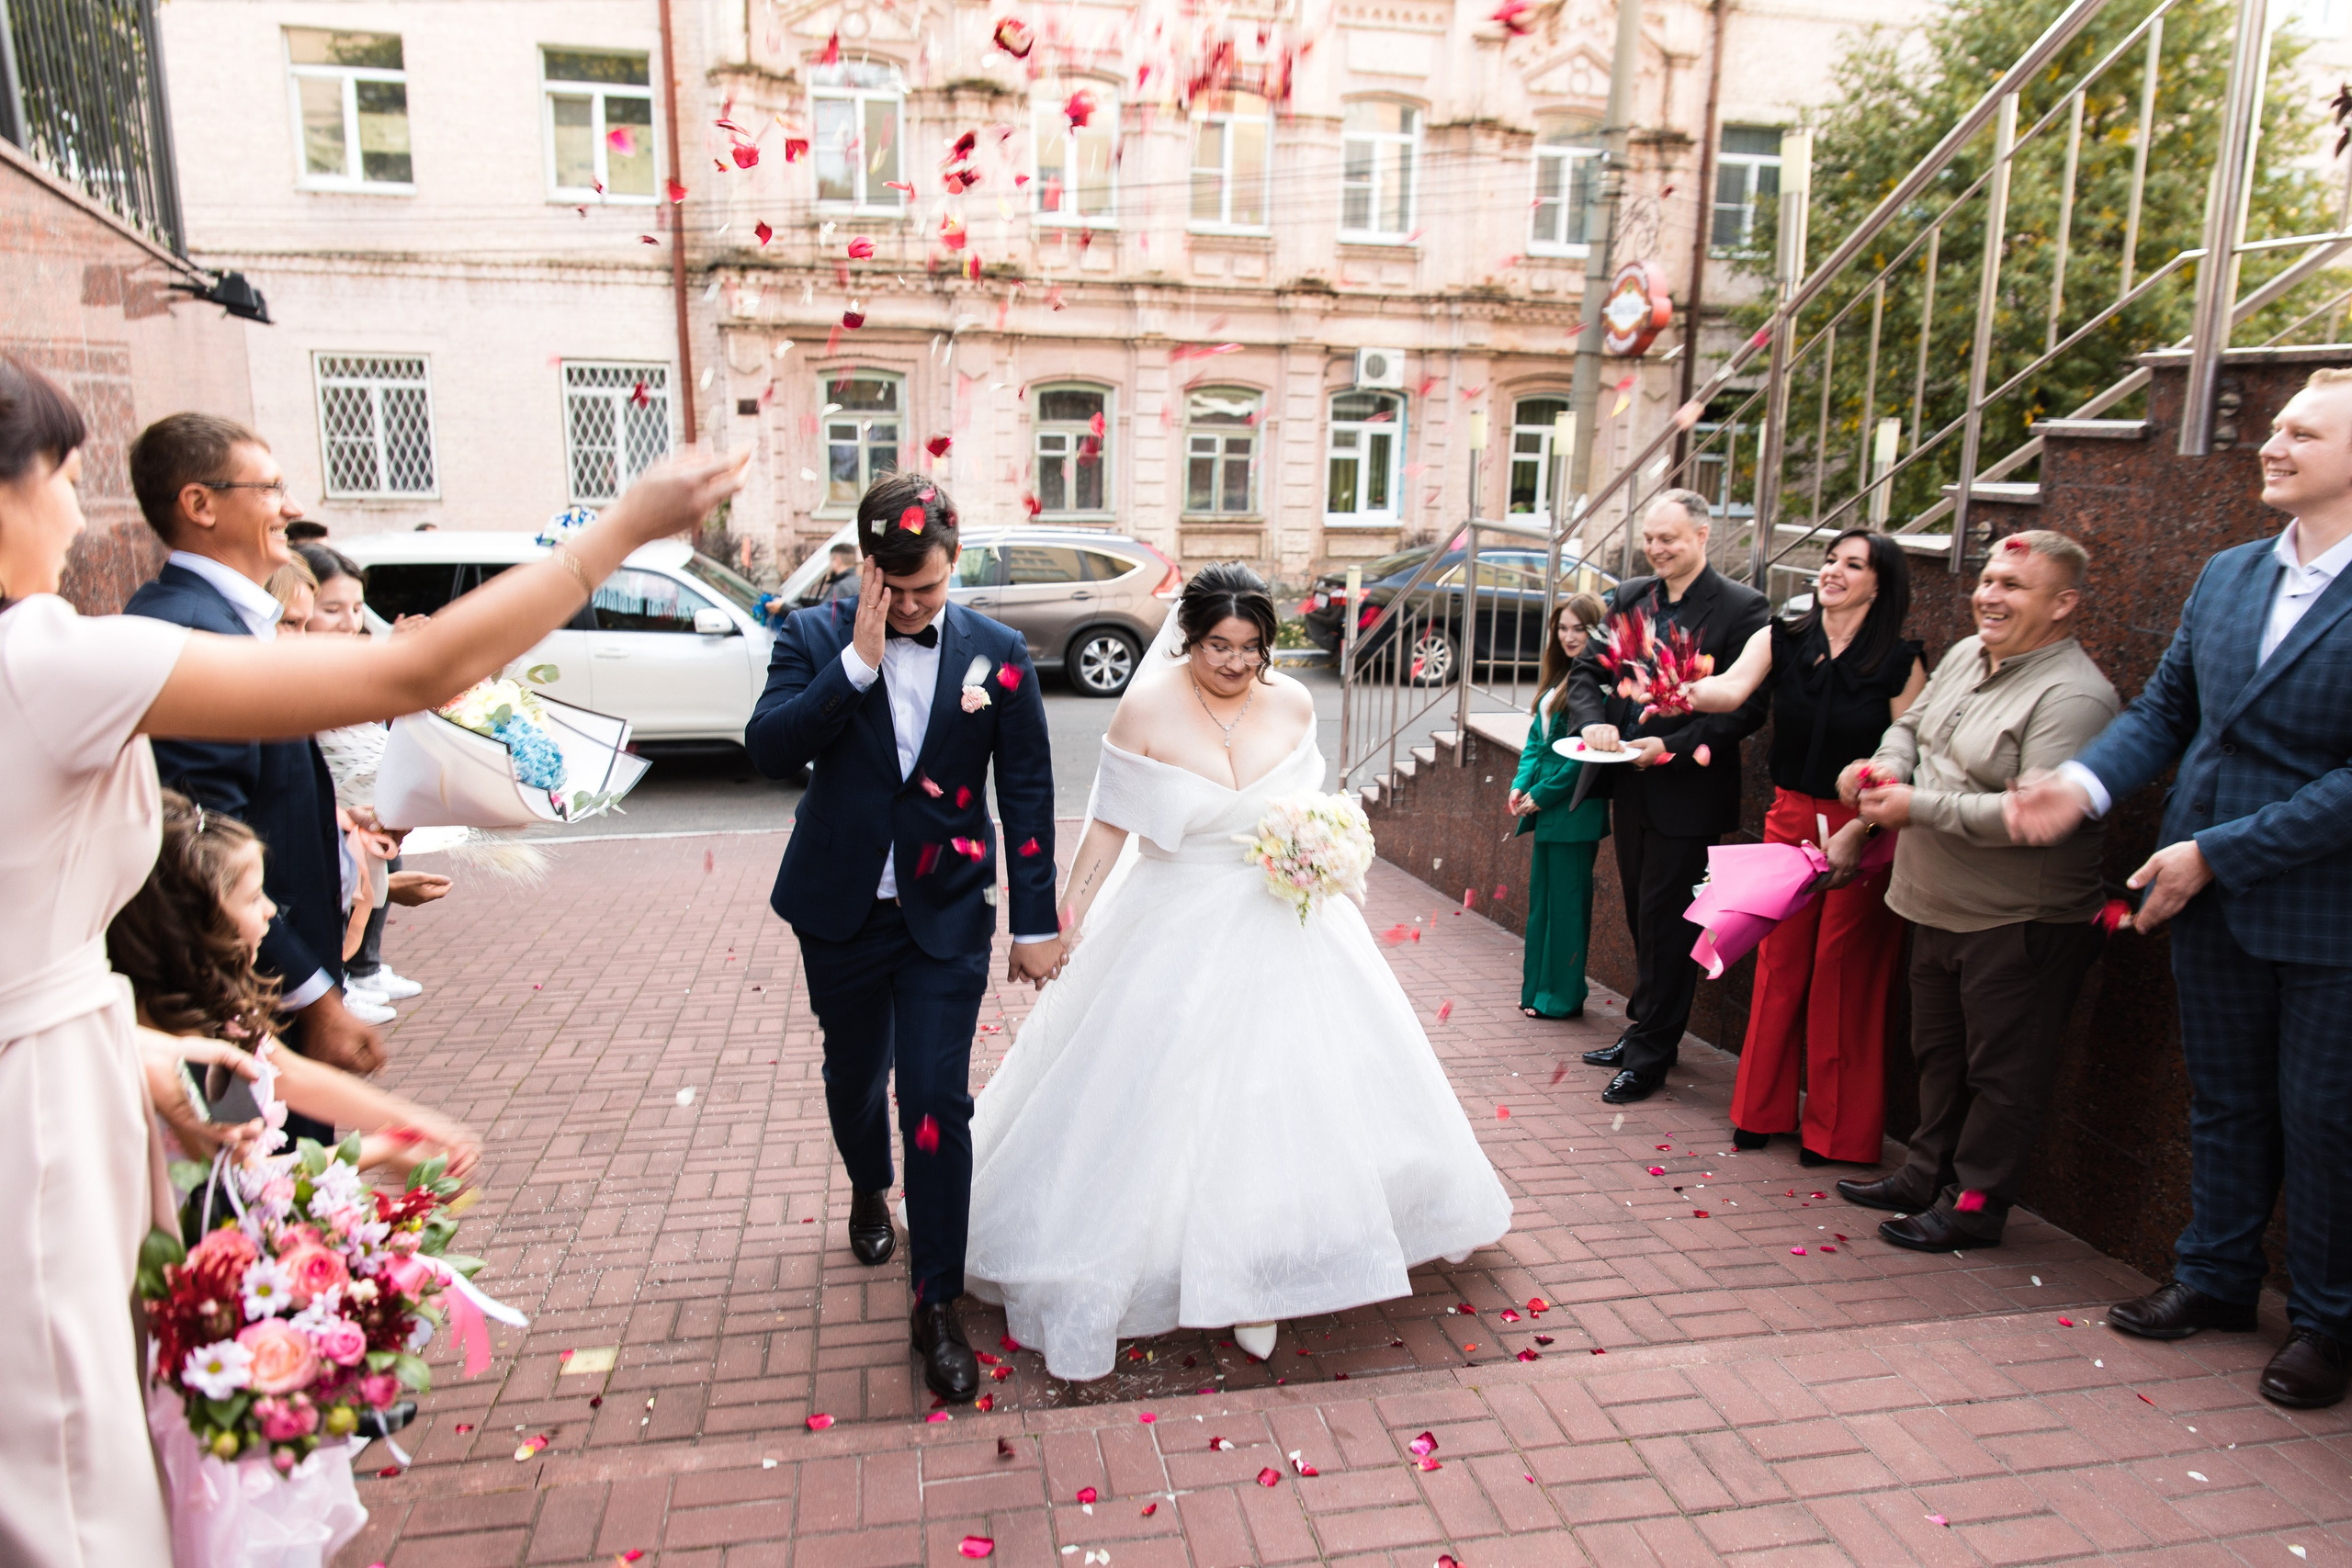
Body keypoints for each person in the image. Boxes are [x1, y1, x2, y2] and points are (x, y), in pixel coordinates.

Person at [0, 352, 741, 1562]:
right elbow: (413, 672)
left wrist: (173, 1061)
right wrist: (622, 527)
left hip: (90, 1066)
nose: (80, 517)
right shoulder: (42, 657)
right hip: (43, 1127)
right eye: (64, 479)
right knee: (74, 1476)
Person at [964, 563, 1512, 1379]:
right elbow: (1110, 828)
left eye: (1251, 646)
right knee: (1166, 1088)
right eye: (1219, 645)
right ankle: (1207, 1266)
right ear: (1189, 638)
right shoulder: (1146, 707)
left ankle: (1270, 1262)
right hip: (1174, 918)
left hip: (1288, 915)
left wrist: (1320, 849)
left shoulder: (1290, 703)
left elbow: (1313, 807)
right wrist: (1063, 924)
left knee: (1288, 1085)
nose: (1234, 662)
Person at [2005, 370, 2352, 1409]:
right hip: (2205, 894)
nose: (2272, 444)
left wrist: (2218, 851)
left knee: (2325, 1121)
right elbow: (2165, 711)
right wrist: (2079, 785)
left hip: (2324, 911)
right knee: (2226, 1101)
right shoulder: (2228, 571)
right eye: (2275, 425)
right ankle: (2214, 1277)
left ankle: (2329, 1325)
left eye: (2303, 432)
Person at [742, 471, 1063, 1403]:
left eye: (930, 587)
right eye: (897, 588)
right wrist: (858, 661)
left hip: (945, 914)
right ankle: (866, 1184)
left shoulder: (998, 654)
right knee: (855, 1079)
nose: (915, 604)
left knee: (934, 1099)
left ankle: (936, 1303)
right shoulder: (813, 637)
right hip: (840, 908)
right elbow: (768, 748)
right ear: (867, 569)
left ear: (954, 564)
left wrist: (1036, 919)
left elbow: (1027, 789)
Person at [1829, 529, 2117, 1252]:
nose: (1990, 595)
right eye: (1988, 580)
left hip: (2017, 922)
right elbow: (1910, 728)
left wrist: (1915, 807)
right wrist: (1881, 769)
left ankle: (1974, 1206)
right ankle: (1924, 1174)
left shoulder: (2075, 696)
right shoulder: (1964, 653)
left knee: (2002, 1076)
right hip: (1934, 903)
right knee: (1939, 1056)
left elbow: (2034, 819)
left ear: (2063, 604)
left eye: (2013, 586)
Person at [123, 414, 380, 1105]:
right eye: (269, 488)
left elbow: (267, 794)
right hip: (252, 998)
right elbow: (202, 858)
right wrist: (313, 997)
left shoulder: (226, 620)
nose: (291, 508)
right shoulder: (189, 630)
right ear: (200, 504)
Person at [1675, 530, 1927, 1164]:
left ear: (1880, 584)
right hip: (1789, 818)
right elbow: (1729, 690)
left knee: (1847, 973)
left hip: (1864, 825)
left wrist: (1864, 825)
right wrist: (1683, 688)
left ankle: (1838, 1133)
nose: (1833, 571)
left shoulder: (1901, 661)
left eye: (1853, 564)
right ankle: (1759, 1110)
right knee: (1779, 964)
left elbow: (1912, 754)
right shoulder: (1781, 637)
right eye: (1830, 559)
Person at [110, 791, 481, 1187]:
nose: (270, 910)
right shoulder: (193, 1051)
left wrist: (411, 1122)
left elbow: (289, 1073)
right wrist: (390, 1144)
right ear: (196, 922)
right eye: (254, 898)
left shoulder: (208, 1007)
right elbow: (244, 1182)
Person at [1569, 489, 1772, 1103]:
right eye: (1650, 539)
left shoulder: (1743, 607)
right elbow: (1587, 674)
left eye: (1669, 539)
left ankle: (1650, 1056)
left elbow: (1746, 711)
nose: (1656, 549)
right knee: (1642, 915)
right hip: (1627, 783)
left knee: (1668, 924)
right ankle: (1644, 1031)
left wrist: (1672, 748)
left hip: (1688, 791)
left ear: (1703, 535)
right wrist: (1592, 725)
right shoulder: (1631, 597)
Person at [298, 541, 443, 1004]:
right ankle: (341, 982)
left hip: (363, 800)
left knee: (378, 864)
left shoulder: (355, 656)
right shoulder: (295, 670)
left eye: (358, 608)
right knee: (346, 884)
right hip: (335, 805)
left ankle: (362, 969)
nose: (349, 622)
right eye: (332, 609)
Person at [1508, 592, 1611, 1019]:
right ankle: (1536, 992)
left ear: (1596, 631)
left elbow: (1586, 755)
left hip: (1575, 806)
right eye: (1562, 629)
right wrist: (1520, 783)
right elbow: (1536, 740)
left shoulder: (1601, 682)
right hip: (1547, 801)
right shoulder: (1559, 677)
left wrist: (1543, 793)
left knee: (1567, 908)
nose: (1569, 637)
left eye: (1579, 629)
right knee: (1543, 906)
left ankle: (1562, 998)